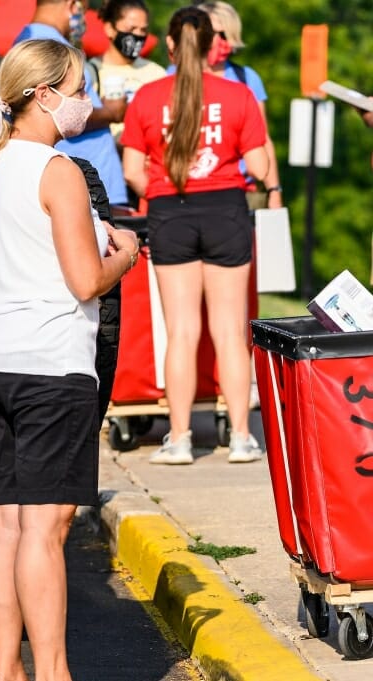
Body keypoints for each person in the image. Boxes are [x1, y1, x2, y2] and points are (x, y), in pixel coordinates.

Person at [0, 39, 139, 681]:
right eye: (79, 89)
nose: (86, 102)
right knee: (45, 526)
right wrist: (127, 252)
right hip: (49, 359)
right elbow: (86, 281)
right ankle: (53, 670)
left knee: (2, 518)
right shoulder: (55, 169)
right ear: (46, 94)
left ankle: (9, 671)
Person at [121, 7, 269, 465]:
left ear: (168, 46)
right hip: (226, 210)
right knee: (229, 331)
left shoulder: (146, 96)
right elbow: (261, 169)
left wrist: (168, 192)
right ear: (212, 47)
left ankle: (180, 438)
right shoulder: (238, 94)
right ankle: (242, 438)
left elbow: (132, 172)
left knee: (182, 331)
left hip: (170, 213)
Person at [12, 0, 130, 208]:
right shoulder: (46, 45)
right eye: (84, 10)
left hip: (91, 181)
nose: (84, 100)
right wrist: (111, 112)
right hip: (83, 186)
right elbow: (62, 109)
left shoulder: (41, 40)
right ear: (72, 5)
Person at [196, 1, 283, 209]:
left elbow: (263, 140)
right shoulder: (175, 77)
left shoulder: (246, 78)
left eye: (226, 35)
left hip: (241, 190)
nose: (221, 41)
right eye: (216, 33)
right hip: (192, 189)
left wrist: (274, 191)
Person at [89, 0, 167, 146]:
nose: (138, 35)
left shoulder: (157, 72)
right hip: (110, 160)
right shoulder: (91, 72)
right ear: (109, 29)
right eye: (131, 29)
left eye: (143, 30)